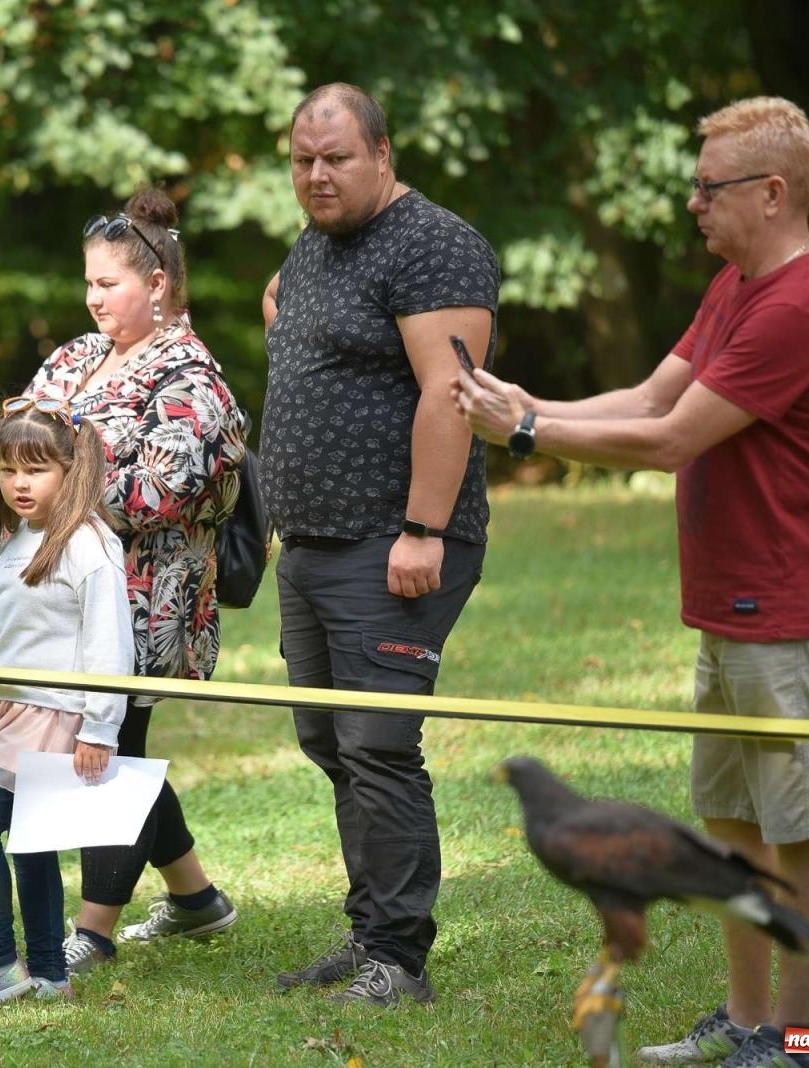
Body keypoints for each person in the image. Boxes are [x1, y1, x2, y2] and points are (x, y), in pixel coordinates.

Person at [454, 97, 809, 1068]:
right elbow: (647, 395)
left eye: (707, 186)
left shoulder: (804, 303)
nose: (692, 202)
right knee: (729, 820)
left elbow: (671, 440)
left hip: (789, 602)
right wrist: (533, 403)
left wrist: (523, 433)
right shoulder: (735, 284)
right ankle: (742, 1016)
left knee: (797, 824)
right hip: (729, 599)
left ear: (770, 193)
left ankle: (798, 1042)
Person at [260, 83, 498, 1007]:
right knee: (330, 737)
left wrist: (423, 530)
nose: (316, 175)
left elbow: (451, 393)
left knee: (378, 743)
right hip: (313, 544)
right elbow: (299, 328)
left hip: (392, 541)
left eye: (336, 159)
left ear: (384, 154)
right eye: (302, 161)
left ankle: (399, 960)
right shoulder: (316, 247)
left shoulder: (435, 244)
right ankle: (369, 938)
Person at [17, 188, 248, 976]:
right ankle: (196, 901)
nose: (92, 298)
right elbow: (18, 437)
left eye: (108, 284)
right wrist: (44, 469)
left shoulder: (191, 379)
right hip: (60, 599)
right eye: (88, 283)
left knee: (110, 744)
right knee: (118, 745)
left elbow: (157, 489)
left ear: (158, 286)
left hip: (146, 601)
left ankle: (91, 933)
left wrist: (59, 479)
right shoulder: (78, 357)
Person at [0, 399, 134, 1003]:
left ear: (71, 471)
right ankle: (49, 974)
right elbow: (19, 644)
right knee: (33, 844)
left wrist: (99, 727)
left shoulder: (88, 545)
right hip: (13, 708)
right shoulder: (18, 539)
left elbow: (109, 643)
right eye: (9, 469)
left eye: (37, 470)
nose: (20, 483)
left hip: (57, 715)